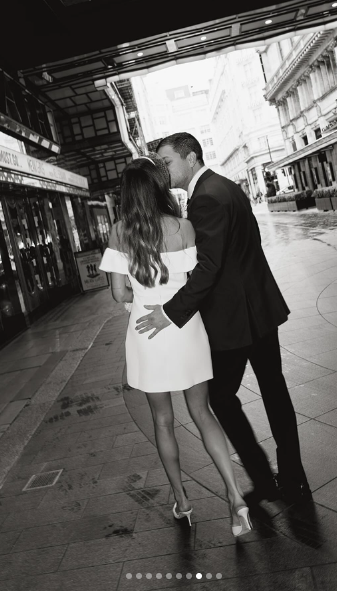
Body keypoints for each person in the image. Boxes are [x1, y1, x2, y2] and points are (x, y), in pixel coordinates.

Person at [135, 133, 312, 505]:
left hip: (234, 320)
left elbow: (209, 267)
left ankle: (263, 478)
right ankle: (293, 478)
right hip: (260, 309)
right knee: (275, 393)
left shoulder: (205, 199)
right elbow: (246, 245)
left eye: (167, 162)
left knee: (219, 397)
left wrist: (170, 312)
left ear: (191, 158)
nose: (164, 171)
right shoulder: (227, 187)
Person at [99, 153, 252, 537]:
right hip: (185, 327)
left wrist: (139, 294)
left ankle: (183, 500)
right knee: (203, 413)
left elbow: (119, 294)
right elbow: (194, 278)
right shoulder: (183, 226)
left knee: (163, 420)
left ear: (127, 194)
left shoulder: (120, 232)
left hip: (148, 332)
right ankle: (235, 497)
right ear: (158, 187)